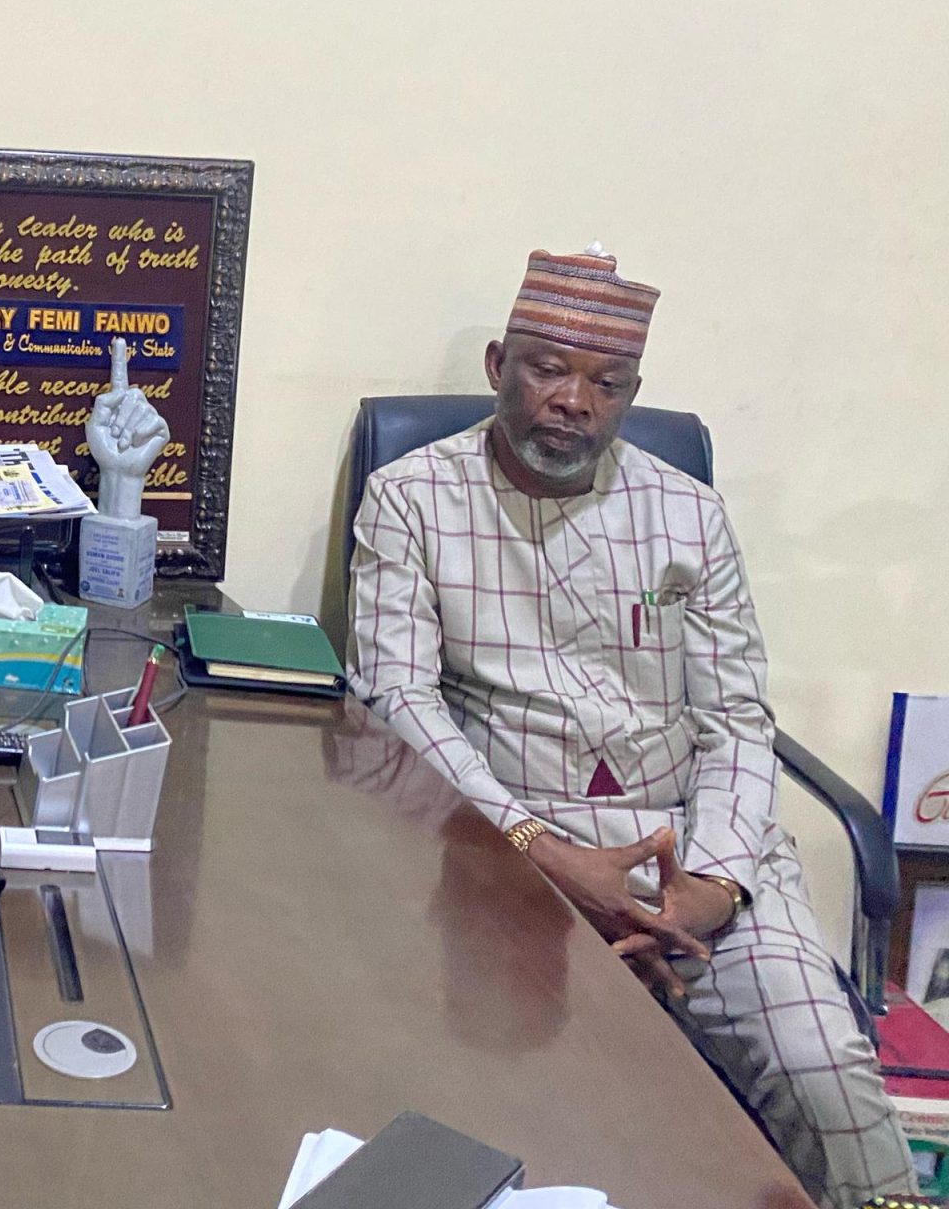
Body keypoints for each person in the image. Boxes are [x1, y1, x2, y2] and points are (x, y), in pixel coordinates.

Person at [347, 246, 914, 1209]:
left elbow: (737, 720)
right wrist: (539, 849)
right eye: (548, 370)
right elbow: (399, 701)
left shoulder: (690, 513)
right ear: (498, 366)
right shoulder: (412, 497)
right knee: (509, 1091)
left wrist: (711, 890)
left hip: (693, 853)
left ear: (631, 396)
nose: (574, 401)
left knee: (827, 1072)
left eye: (606, 384)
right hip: (506, 848)